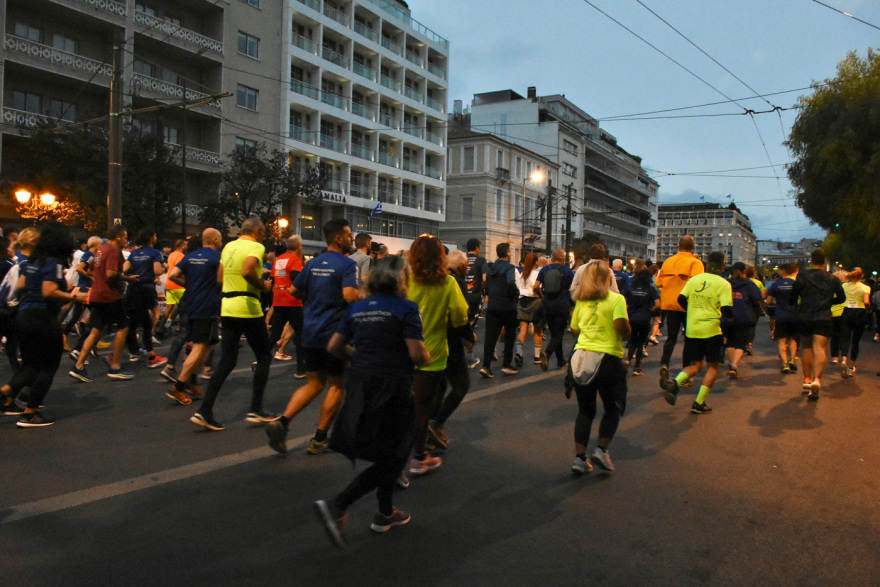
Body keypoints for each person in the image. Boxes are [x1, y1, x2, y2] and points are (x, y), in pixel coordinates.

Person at [314, 256, 430, 548]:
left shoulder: (356, 309)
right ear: (400, 283)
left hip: (362, 385)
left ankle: (385, 512)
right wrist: (427, 359)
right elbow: (416, 355)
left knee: (386, 451)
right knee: (397, 453)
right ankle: (339, 504)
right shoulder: (406, 308)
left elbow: (334, 346)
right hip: (394, 387)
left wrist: (360, 360)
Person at [265, 219, 359, 454]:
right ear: (338, 238)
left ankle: (283, 421)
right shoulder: (347, 265)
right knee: (337, 385)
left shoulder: (312, 263)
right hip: (334, 334)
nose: (352, 239)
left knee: (314, 383)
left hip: (310, 331)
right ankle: (319, 438)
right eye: (349, 235)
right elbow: (349, 296)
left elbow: (295, 290)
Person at [190, 217, 278, 431]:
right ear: (257, 231)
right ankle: (256, 409)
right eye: (264, 233)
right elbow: (247, 270)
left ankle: (205, 411)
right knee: (264, 356)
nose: (264, 237)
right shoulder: (256, 247)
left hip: (227, 307)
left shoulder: (229, 246)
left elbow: (220, 278)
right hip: (247, 306)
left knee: (227, 360)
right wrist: (263, 285)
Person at [1, 222, 88, 426]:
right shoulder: (54, 261)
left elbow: (22, 284)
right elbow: (49, 290)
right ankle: (30, 412)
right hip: (43, 316)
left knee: (30, 363)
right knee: (49, 365)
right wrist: (73, 297)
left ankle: (7, 392)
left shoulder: (32, 259)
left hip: (24, 314)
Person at [403, 236, 468, 480]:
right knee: (421, 409)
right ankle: (418, 459)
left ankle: (406, 458)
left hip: (405, 352)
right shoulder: (448, 283)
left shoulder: (406, 281)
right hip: (434, 356)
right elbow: (461, 316)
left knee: (405, 406)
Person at [568, 260, 630, 474]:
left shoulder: (580, 301)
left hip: (581, 359)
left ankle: (579, 459)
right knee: (612, 409)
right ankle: (601, 450)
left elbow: (574, 329)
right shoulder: (617, 299)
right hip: (608, 359)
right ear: (608, 279)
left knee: (585, 411)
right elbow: (622, 328)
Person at [660, 251, 733, 414]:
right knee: (712, 367)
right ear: (722, 265)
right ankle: (699, 402)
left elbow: (680, 299)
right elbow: (727, 310)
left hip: (692, 329)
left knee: (696, 364)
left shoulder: (694, 280)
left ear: (707, 264)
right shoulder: (724, 284)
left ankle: (675, 382)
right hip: (711, 330)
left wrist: (691, 311)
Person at [69, 226, 139, 382]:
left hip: (98, 294)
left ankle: (79, 365)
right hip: (110, 296)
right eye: (125, 236)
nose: (126, 240)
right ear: (118, 237)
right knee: (123, 327)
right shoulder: (114, 251)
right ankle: (115, 366)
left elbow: (92, 270)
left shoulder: (101, 250)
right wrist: (128, 279)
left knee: (96, 330)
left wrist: (98, 281)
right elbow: (111, 273)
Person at [164, 228, 223, 405]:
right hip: (207, 307)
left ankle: (192, 380)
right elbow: (222, 280)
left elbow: (173, 275)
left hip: (191, 304)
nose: (220, 242)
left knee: (210, 344)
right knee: (199, 347)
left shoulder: (190, 257)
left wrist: (190, 284)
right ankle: (180, 385)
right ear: (214, 239)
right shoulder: (217, 257)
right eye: (219, 239)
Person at [427, 249, 476, 450]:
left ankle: (428, 431)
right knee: (461, 385)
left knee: (438, 387)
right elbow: (460, 314)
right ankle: (436, 423)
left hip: (430, 339)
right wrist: (469, 336)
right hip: (451, 342)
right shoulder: (455, 282)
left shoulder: (429, 279)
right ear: (463, 266)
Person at [791, 249, 845, 400]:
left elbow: (794, 294)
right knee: (820, 348)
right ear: (825, 262)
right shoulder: (833, 278)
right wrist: (829, 302)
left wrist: (793, 303)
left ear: (811, 261)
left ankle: (807, 380)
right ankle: (817, 380)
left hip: (806, 315)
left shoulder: (802, 276)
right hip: (824, 316)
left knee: (806, 347)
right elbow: (842, 298)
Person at [656, 235, 704, 386]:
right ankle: (685, 374)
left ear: (678, 246)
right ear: (693, 246)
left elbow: (658, 282)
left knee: (671, 338)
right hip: (687, 304)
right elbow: (699, 284)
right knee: (688, 339)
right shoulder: (695, 262)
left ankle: (664, 364)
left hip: (669, 303)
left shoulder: (668, 261)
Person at [123, 229, 167, 368]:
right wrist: (165, 267)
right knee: (146, 323)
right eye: (155, 235)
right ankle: (151, 356)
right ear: (151, 238)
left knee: (135, 322)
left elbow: (124, 268)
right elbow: (157, 271)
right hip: (146, 289)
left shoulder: (134, 253)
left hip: (133, 288)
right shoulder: (155, 253)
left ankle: (134, 351)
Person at [479, 243, 519, 378]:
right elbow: (510, 283)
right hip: (507, 306)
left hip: (493, 306)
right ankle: (506, 364)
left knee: (490, 336)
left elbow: (487, 287)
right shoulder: (509, 268)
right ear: (507, 253)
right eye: (510, 251)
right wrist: (515, 294)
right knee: (509, 335)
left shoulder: (491, 268)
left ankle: (486, 366)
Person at [268, 235, 306, 377]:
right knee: (301, 334)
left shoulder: (278, 260)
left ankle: (261, 359)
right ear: (299, 246)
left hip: (278, 300)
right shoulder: (295, 260)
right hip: (292, 302)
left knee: (275, 334)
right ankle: (301, 369)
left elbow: (272, 279)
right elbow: (297, 279)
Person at [534, 248, 574, 370]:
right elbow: (573, 289)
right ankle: (547, 353)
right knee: (559, 334)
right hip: (562, 305)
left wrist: (542, 296)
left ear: (551, 259)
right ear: (563, 259)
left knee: (554, 334)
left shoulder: (545, 269)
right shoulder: (567, 271)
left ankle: (560, 360)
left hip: (548, 305)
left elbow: (535, 286)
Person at [722, 262, 763, 379]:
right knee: (740, 343)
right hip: (744, 317)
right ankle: (734, 366)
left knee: (729, 342)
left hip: (728, 315)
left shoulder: (727, 283)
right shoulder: (749, 284)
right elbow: (758, 299)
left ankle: (730, 363)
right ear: (745, 271)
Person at [623, 261, 659, 376]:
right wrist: (650, 310)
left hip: (632, 317)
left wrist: (628, 310)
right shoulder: (650, 289)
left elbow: (623, 301)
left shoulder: (631, 287)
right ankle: (637, 367)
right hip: (644, 318)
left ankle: (628, 359)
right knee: (641, 342)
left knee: (633, 339)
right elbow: (658, 304)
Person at [764, 263, 800, 373]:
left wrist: (772, 302)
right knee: (793, 339)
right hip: (795, 315)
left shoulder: (775, 285)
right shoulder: (796, 284)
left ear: (783, 271)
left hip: (780, 315)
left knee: (781, 340)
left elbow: (768, 301)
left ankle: (785, 364)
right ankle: (792, 359)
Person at [838, 267, 871, 378]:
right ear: (861, 276)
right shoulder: (865, 287)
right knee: (855, 340)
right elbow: (866, 301)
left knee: (845, 337)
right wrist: (868, 309)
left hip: (846, 311)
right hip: (859, 312)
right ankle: (851, 367)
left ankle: (843, 358)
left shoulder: (843, 286)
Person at [514, 252, 545, 369]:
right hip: (535, 302)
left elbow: (518, 288)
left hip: (522, 302)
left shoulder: (523, 274)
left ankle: (519, 353)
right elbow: (536, 288)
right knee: (538, 329)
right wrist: (541, 296)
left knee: (523, 329)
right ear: (536, 262)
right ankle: (537, 356)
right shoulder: (537, 274)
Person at [464, 238, 488, 368]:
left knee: (460, 325)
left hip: (461, 296)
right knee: (470, 327)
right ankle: (470, 358)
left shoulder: (462, 259)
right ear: (477, 248)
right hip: (474, 297)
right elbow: (485, 278)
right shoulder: (481, 260)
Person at [159, 239, 186, 337]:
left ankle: (162, 327)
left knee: (169, 307)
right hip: (178, 284)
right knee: (183, 306)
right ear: (182, 246)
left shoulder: (171, 255)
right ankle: (180, 328)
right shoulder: (181, 256)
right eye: (185, 244)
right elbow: (180, 270)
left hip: (169, 284)